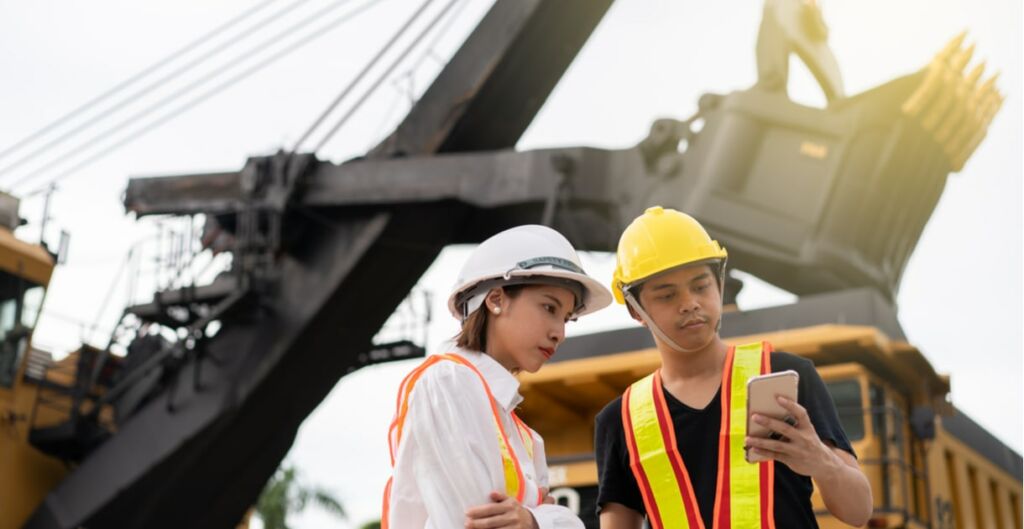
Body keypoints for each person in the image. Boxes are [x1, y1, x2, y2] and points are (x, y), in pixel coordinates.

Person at [594, 206, 872, 529]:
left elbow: (859, 511)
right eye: (668, 295)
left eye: (700, 286)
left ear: (719, 285)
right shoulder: (621, 421)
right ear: (635, 310)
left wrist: (821, 461)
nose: (690, 303)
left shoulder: (785, 375)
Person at [383, 225, 613, 529]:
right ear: (495, 299)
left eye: (566, 318)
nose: (560, 332)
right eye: (549, 308)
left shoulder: (526, 436)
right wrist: (552, 518)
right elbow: (480, 522)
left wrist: (533, 520)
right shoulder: (447, 382)